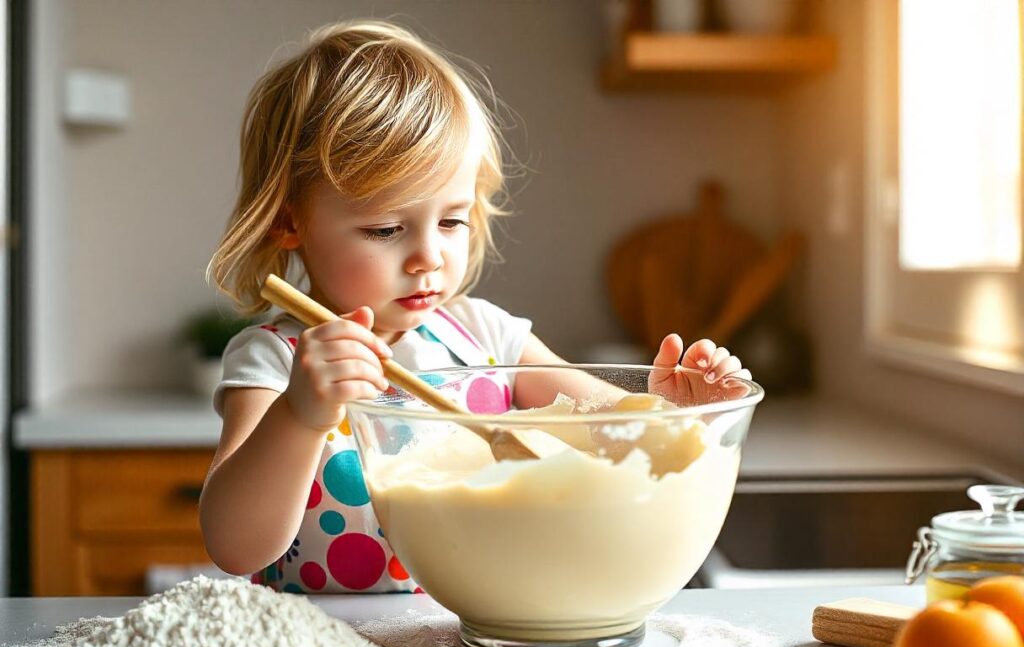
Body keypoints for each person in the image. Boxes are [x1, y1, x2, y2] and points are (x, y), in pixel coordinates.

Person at [199, 20, 751, 594]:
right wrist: (300, 416)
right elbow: (235, 548)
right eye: (386, 228)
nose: (427, 257)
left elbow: (608, 431)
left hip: (468, 643)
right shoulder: (278, 361)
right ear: (290, 220)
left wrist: (678, 411)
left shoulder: (485, 337)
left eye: (452, 220)